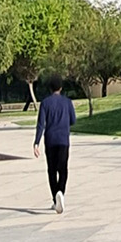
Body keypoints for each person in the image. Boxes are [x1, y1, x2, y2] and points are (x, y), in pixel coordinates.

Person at [32, 75, 76, 213]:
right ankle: (61, 192)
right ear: (61, 88)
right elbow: (73, 120)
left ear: (50, 88)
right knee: (63, 169)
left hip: (50, 140)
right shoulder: (67, 102)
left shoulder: (45, 103)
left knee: (51, 170)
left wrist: (36, 143)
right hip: (63, 140)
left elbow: (41, 124)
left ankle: (55, 198)